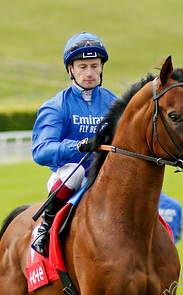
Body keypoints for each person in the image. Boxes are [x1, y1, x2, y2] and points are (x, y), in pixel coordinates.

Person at [30, 32, 118, 256]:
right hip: (68, 179)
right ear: (71, 69)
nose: (89, 73)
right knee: (75, 171)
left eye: (94, 66)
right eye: (82, 66)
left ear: (101, 68)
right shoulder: (56, 106)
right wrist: (78, 146)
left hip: (106, 177)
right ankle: (45, 226)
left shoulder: (115, 104)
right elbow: (40, 151)